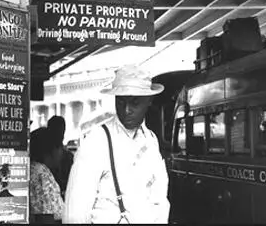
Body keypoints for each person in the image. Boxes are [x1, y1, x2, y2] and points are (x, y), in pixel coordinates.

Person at [63, 65, 170, 224]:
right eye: (120, 102)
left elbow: (160, 199)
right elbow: (76, 208)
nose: (126, 110)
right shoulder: (97, 140)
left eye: (135, 103)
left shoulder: (151, 140)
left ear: (149, 101)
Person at [29, 127, 64, 222]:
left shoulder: (32, 169)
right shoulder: (41, 174)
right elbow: (47, 215)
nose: (62, 153)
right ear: (53, 150)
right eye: (61, 147)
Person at [47, 115, 74, 199]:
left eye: (61, 130)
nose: (60, 133)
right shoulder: (45, 155)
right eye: (57, 130)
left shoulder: (68, 156)